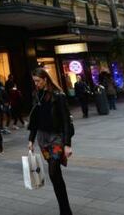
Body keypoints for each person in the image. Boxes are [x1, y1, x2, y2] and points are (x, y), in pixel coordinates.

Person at [28, 68, 74, 215]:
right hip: (42, 139)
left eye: (38, 81)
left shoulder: (58, 96)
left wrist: (67, 144)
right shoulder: (36, 95)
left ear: (45, 79)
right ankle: (65, 209)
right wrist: (31, 139)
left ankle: (65, 211)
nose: (36, 84)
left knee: (53, 172)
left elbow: (66, 121)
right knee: (56, 175)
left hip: (56, 138)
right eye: (34, 81)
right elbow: (35, 119)